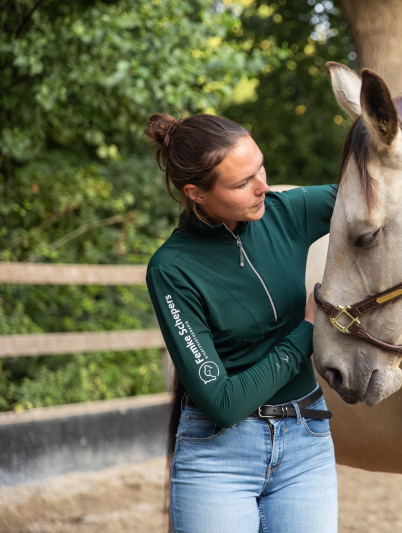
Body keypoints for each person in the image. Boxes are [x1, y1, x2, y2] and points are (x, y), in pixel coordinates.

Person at [144, 112, 337, 533]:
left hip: (307, 445)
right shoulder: (172, 270)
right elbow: (222, 402)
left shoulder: (286, 212)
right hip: (219, 457)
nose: (264, 186)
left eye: (260, 167)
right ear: (196, 194)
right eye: (241, 182)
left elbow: (389, 197)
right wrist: (306, 332)